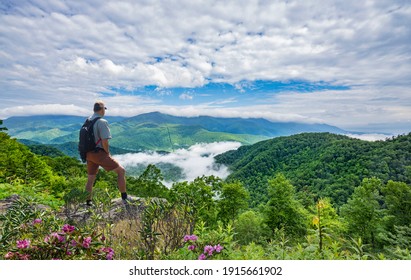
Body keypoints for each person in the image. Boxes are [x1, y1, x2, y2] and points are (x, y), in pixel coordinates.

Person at [84, 101, 129, 206]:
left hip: (88, 153)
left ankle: (88, 202)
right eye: (104, 109)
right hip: (99, 153)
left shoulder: (88, 120)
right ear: (102, 109)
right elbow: (105, 141)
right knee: (121, 171)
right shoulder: (101, 122)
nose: (105, 111)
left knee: (90, 178)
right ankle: (124, 198)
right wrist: (107, 153)